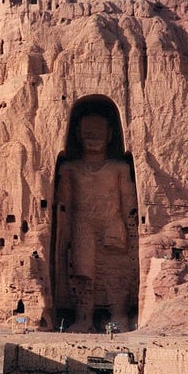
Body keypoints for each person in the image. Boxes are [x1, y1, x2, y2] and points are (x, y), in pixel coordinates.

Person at [55, 113, 137, 331]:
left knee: (116, 271)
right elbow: (63, 204)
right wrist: (65, 233)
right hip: (82, 223)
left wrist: (128, 227)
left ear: (110, 135)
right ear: (78, 135)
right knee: (83, 271)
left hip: (112, 221)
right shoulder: (69, 169)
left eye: (99, 133)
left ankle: (118, 315)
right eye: (89, 133)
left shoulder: (119, 168)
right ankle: (84, 318)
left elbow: (129, 201)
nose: (94, 138)